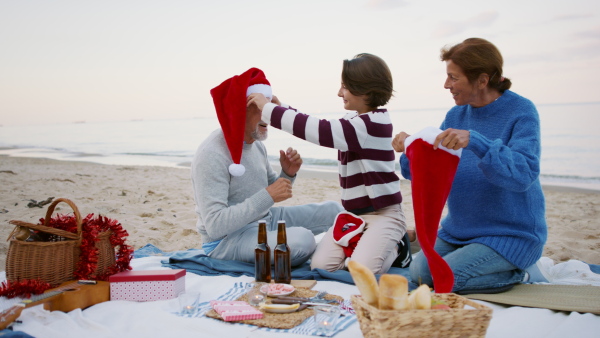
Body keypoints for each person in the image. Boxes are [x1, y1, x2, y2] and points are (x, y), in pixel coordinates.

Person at [392, 38, 548, 293]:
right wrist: (410, 149)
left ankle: (519, 274)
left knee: (447, 280)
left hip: (510, 235)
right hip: (459, 231)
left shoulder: (521, 111)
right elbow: (426, 172)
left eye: (453, 77)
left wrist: (476, 141)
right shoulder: (456, 115)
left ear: (483, 80)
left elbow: (524, 173)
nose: (446, 85)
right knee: (420, 274)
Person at [247, 54, 411, 275]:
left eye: (345, 87)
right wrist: (281, 107)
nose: (339, 92)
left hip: (384, 214)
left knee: (360, 271)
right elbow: (316, 124)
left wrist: (268, 109)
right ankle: (366, 244)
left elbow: (319, 131)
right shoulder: (354, 121)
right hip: (354, 215)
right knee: (321, 267)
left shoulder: (372, 124)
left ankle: (398, 246)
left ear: (364, 89)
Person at [192, 68, 344, 267]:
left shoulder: (256, 145)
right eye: (261, 105)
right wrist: (268, 195)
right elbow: (215, 226)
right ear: (240, 109)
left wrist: (288, 174)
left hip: (265, 220)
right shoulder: (212, 153)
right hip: (227, 240)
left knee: (334, 210)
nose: (270, 114)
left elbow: (273, 191)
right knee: (303, 240)